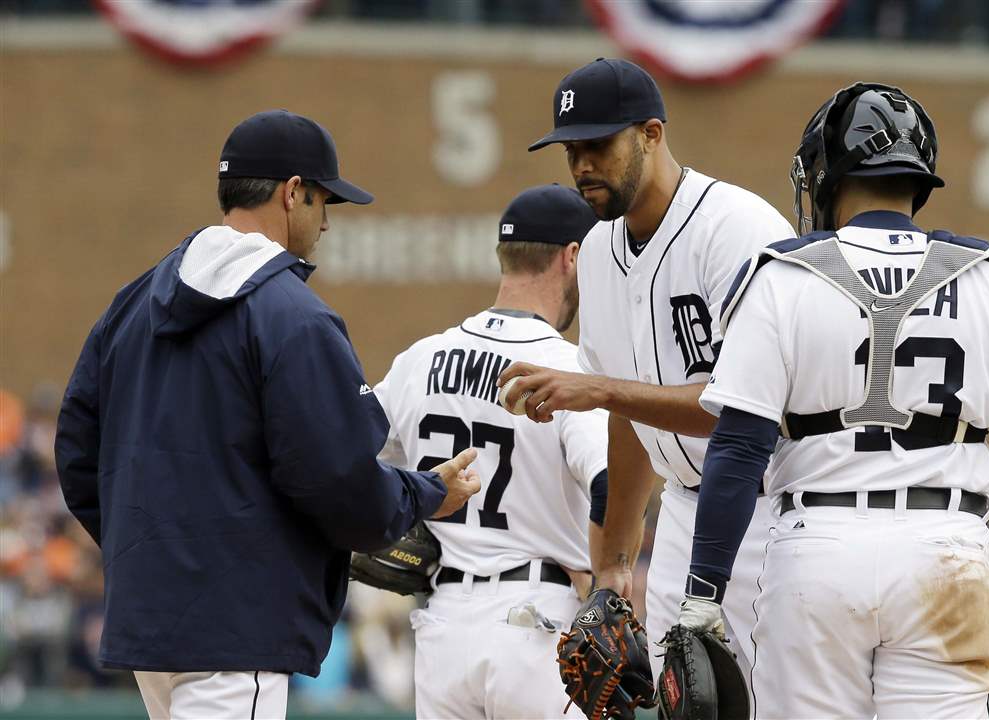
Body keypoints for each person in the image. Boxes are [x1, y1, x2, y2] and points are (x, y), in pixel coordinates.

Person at [53, 110, 480, 720]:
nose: (327, 221)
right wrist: (422, 494)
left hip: (154, 624)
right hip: (237, 628)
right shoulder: (295, 316)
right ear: (291, 192)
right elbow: (338, 479)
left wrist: (152, 549)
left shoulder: (132, 303)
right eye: (323, 200)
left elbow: (76, 452)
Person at [676, 82, 989, 718]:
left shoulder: (782, 278)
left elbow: (738, 448)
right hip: (946, 553)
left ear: (831, 174)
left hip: (818, 550)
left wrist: (703, 591)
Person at [501, 58, 795, 683]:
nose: (581, 165)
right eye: (571, 150)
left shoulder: (737, 229)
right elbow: (627, 420)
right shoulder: (601, 250)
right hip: (684, 517)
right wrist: (611, 570)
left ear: (651, 134)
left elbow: (746, 413)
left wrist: (600, 389)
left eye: (598, 145)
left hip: (775, 512)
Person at [372, 184, 607, 719]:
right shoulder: (567, 369)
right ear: (573, 257)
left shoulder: (419, 358)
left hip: (444, 627)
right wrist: (606, 576)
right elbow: (610, 485)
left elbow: (342, 456)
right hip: (537, 625)